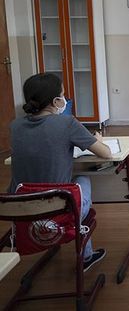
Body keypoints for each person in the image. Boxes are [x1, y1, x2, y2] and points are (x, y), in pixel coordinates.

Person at [9, 73, 112, 272]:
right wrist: (97, 140)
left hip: (18, 210)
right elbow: (106, 154)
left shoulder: (15, 126)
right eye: (63, 95)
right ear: (56, 100)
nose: (64, 99)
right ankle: (85, 257)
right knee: (82, 179)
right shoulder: (66, 123)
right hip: (58, 212)